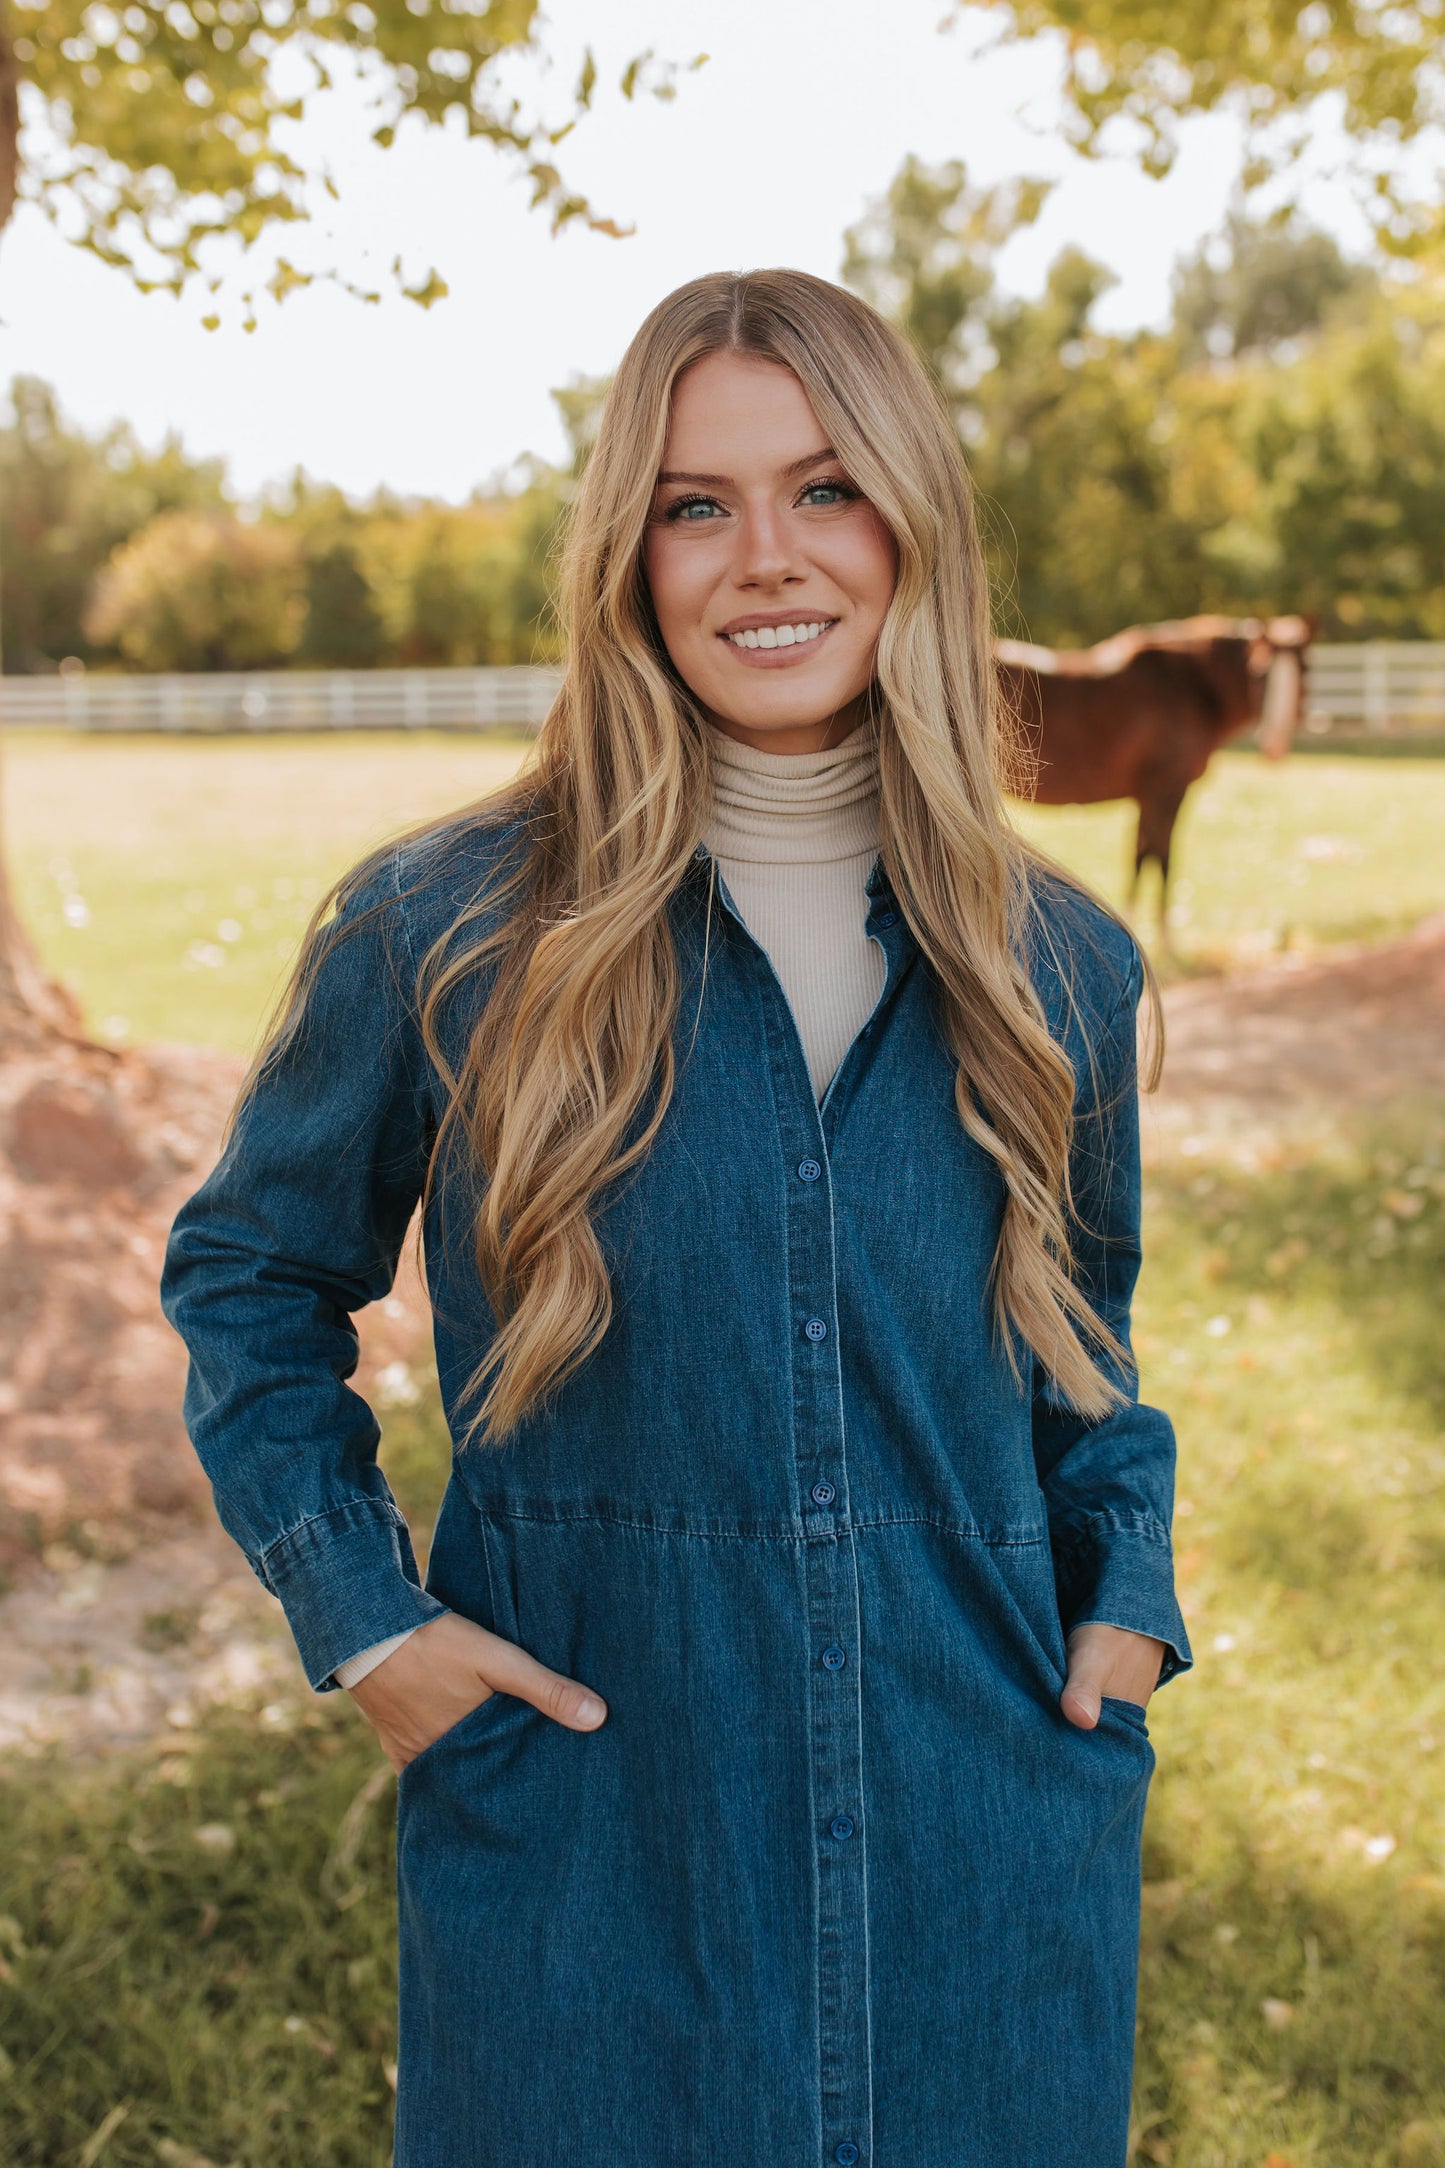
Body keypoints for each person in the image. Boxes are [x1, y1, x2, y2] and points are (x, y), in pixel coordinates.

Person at [161, 267, 1191, 2168]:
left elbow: (1082, 1340)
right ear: (628, 557)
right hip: (586, 1818)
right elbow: (253, 1274)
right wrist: (366, 1621)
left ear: (913, 525)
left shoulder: (1059, 958)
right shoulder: (446, 929)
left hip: (983, 1816)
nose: (763, 559)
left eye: (825, 489)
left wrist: (1120, 1602)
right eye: (695, 506)